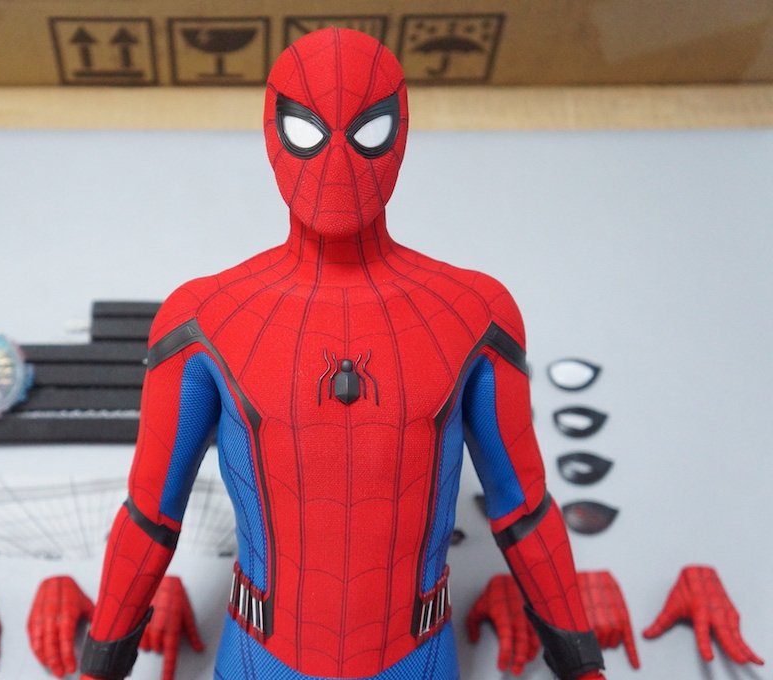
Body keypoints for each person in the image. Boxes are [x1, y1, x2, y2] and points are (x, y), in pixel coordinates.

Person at [80, 27, 605, 680]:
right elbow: (151, 515)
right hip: (264, 654)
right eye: (307, 131)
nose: (337, 163)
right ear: (273, 135)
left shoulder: (474, 312)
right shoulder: (203, 317)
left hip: (413, 654)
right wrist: (99, 665)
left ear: (400, 135)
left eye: (367, 131)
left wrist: (582, 664)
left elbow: (523, 509)